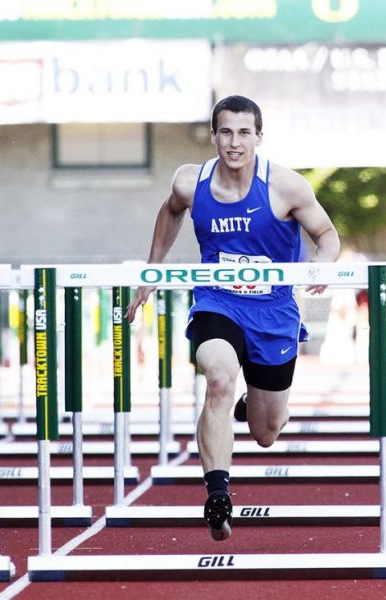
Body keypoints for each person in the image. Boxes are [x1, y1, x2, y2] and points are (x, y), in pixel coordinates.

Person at [125, 95, 340, 541]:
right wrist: (152, 270)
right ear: (214, 135)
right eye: (226, 132)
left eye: (244, 133)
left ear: (259, 136)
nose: (235, 142)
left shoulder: (286, 186)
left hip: (273, 311)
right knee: (219, 378)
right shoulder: (190, 181)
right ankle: (217, 493)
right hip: (217, 301)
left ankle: (254, 406)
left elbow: (326, 233)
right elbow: (170, 212)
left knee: (266, 432)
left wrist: (325, 264)